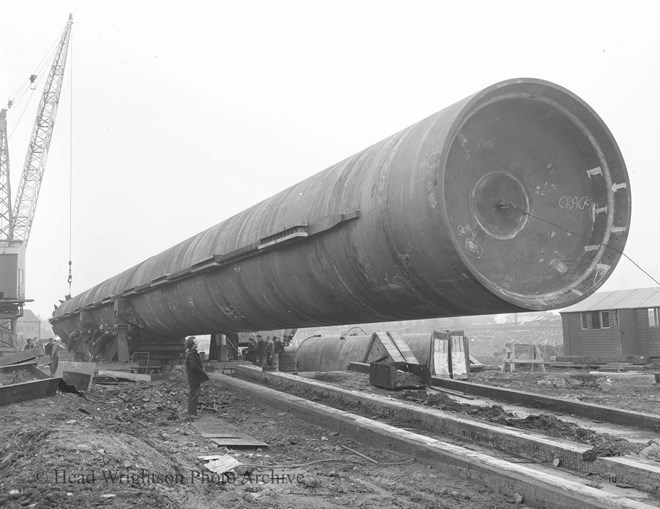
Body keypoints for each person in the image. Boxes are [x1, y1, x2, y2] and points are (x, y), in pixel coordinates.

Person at [185, 336, 209, 417]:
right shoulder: (191, 354)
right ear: (192, 344)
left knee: (194, 395)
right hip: (194, 378)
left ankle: (193, 413)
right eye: (196, 342)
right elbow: (193, 366)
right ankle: (191, 414)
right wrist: (201, 370)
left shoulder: (192, 353)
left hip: (194, 378)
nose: (197, 343)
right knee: (193, 396)